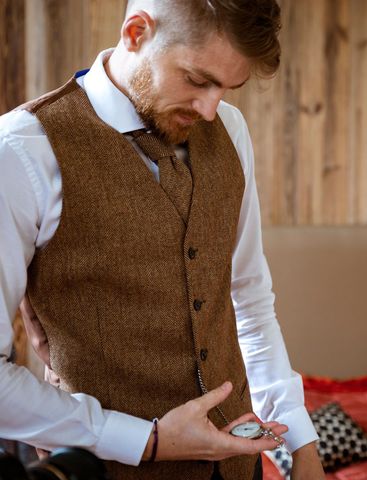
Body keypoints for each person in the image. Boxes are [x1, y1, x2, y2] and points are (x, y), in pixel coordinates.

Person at [0, 1, 325, 478]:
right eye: (197, 80)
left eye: (227, 88)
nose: (211, 109)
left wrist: (301, 443)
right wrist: (144, 441)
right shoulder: (22, 151)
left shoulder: (231, 131)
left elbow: (249, 300)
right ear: (136, 33)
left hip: (240, 466)